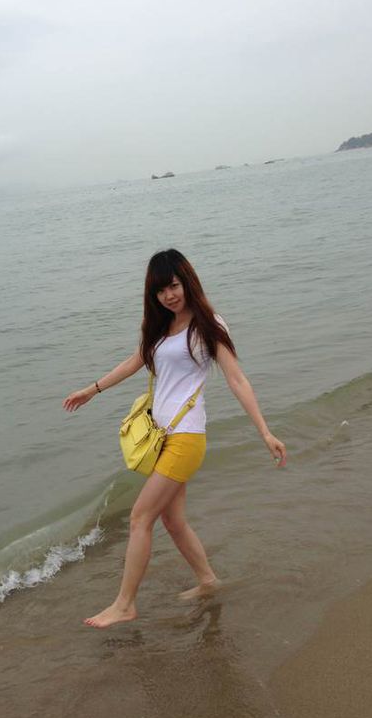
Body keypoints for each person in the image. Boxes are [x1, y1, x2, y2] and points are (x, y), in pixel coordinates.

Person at [63, 249, 287, 629]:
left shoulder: (208, 325)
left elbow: (236, 378)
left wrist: (264, 431)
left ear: (187, 282)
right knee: (172, 520)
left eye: (174, 286)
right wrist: (91, 390)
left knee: (140, 517)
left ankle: (124, 604)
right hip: (162, 436)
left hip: (186, 438)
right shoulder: (160, 327)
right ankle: (208, 581)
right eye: (160, 290)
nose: (169, 295)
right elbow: (134, 361)